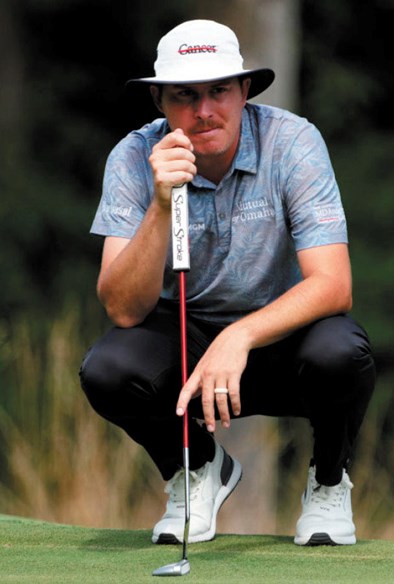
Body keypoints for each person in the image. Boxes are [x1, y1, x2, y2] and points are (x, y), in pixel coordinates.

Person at [79, 19, 375, 547]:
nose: (204, 110)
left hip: (282, 337)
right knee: (107, 369)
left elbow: (334, 285)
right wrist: (159, 203)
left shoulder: (293, 140)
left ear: (244, 91)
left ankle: (329, 481)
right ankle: (197, 469)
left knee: (342, 352)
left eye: (219, 90)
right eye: (185, 95)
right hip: (185, 341)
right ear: (160, 103)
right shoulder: (132, 156)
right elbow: (123, 308)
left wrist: (237, 337)